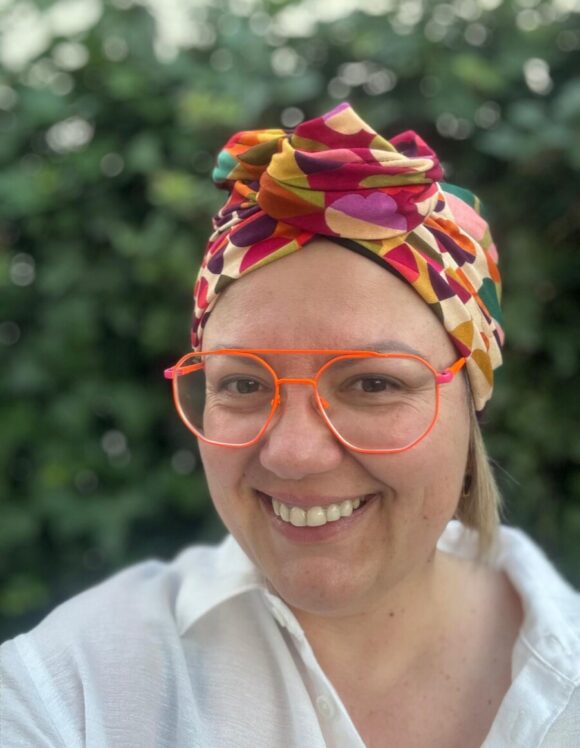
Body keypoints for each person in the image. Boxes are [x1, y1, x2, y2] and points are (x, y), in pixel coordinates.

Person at [1, 103, 579, 748]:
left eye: (374, 384)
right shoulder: (74, 693)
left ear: (469, 402)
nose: (294, 454)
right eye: (243, 384)